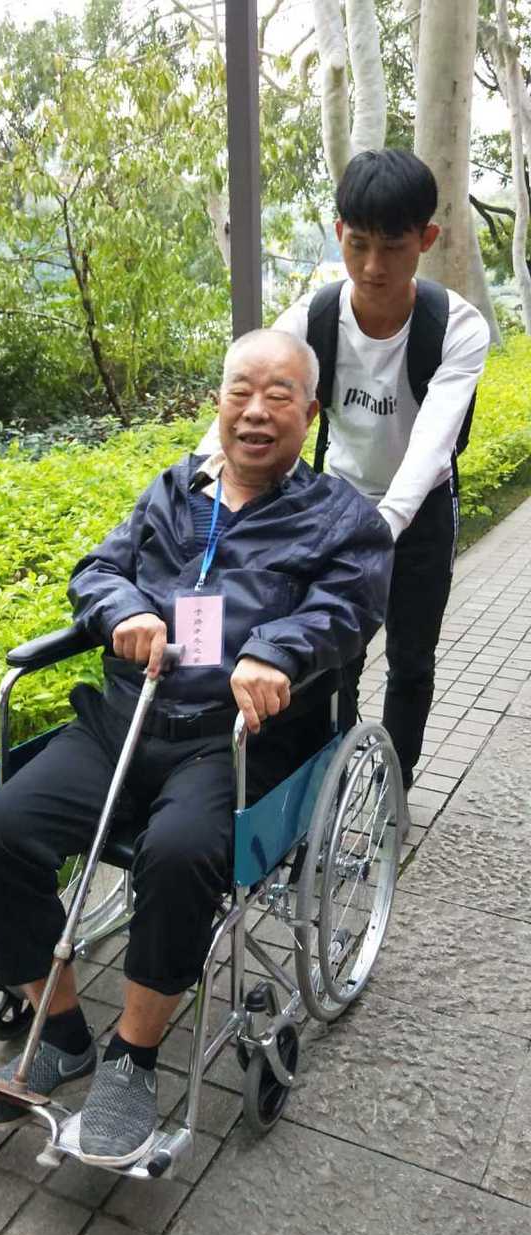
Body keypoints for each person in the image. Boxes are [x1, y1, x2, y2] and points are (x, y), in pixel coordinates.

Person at [0, 328, 393, 1168]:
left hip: (233, 741)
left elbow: (347, 609)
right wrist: (123, 608)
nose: (256, 411)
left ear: (311, 413)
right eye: (241, 391)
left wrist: (276, 649)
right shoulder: (172, 490)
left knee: (181, 853)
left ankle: (133, 1058)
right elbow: (98, 568)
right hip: (125, 718)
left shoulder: (342, 520)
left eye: (279, 395)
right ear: (218, 403)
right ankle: (60, 1033)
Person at [199, 149, 491, 837]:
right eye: (358, 244)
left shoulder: (456, 327)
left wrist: (381, 526)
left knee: (410, 662)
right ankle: (328, 785)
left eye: (393, 246)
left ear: (426, 238)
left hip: (417, 514)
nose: (373, 266)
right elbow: (250, 402)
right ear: (339, 234)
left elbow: (433, 442)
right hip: (334, 505)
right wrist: (202, 482)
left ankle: (394, 790)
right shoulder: (314, 315)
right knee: (332, 657)